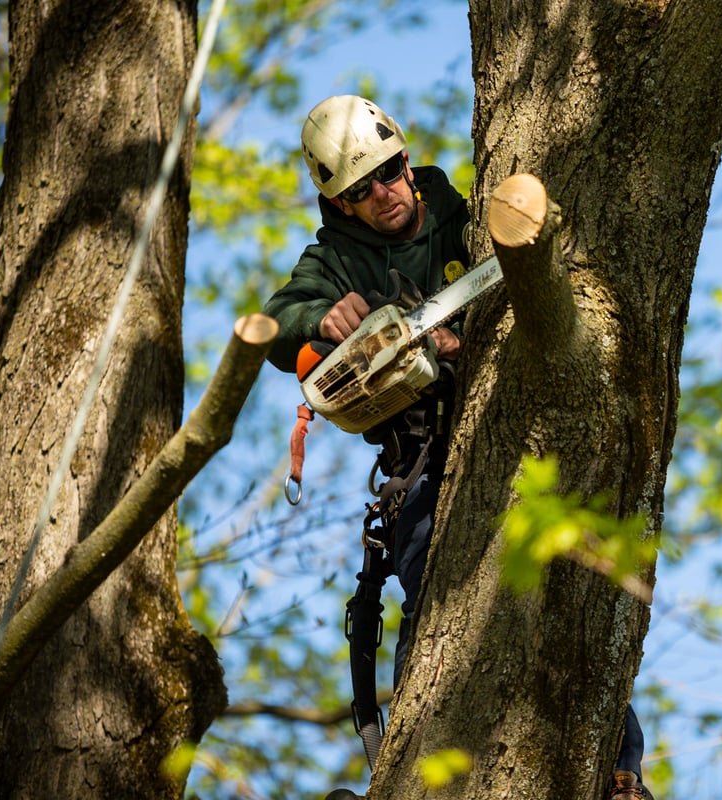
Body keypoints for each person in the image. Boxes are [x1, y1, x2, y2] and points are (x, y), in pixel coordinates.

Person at [264, 95, 652, 800]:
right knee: (438, 601)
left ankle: (619, 769)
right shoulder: (335, 260)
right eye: (359, 190)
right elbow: (276, 321)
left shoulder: (464, 218)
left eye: (388, 173)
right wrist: (318, 315)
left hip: (520, 435)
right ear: (339, 201)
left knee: (573, 587)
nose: (381, 194)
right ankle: (414, 769)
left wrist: (459, 344)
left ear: (406, 159)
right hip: (421, 462)